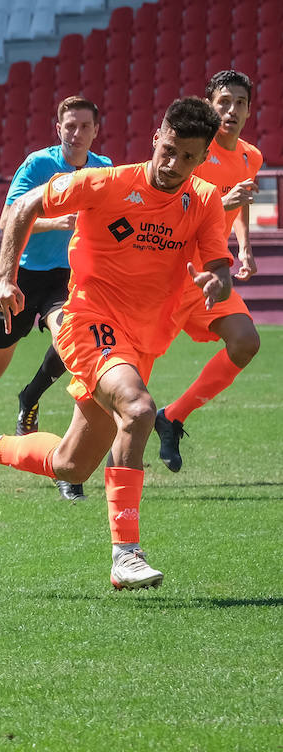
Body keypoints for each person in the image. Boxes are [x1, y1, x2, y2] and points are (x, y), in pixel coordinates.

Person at [0, 97, 232, 590]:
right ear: (155, 136)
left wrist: (217, 284)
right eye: (168, 150)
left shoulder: (203, 199)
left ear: (203, 156)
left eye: (188, 157)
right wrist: (3, 277)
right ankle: (126, 554)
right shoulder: (109, 182)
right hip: (88, 320)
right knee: (140, 410)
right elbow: (23, 206)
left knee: (71, 463)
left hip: (141, 340)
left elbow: (217, 263)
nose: (173, 165)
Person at [0, 96, 111, 501]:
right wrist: (59, 222)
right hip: (23, 276)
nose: (76, 133)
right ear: (58, 128)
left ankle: (68, 461)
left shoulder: (105, 169)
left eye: (84, 126)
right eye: (69, 125)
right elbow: (7, 219)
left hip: (68, 277)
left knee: (75, 347)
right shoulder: (38, 165)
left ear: (96, 131)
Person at [152, 70, 263, 472]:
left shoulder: (251, 156)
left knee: (245, 341)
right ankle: (102, 459)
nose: (231, 110)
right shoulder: (192, 148)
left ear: (250, 110)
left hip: (210, 275)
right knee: (129, 375)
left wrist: (245, 246)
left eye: (240, 103)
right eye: (224, 102)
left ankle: (173, 416)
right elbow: (174, 201)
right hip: (167, 272)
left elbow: (241, 200)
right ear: (210, 104)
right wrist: (223, 198)